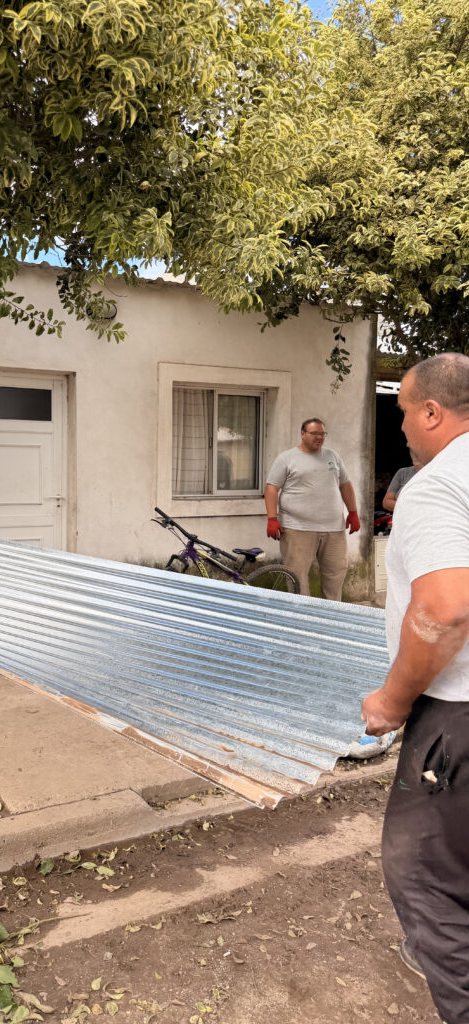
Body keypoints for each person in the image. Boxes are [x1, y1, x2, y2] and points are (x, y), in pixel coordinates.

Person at [361, 353, 469, 1024]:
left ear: (432, 411)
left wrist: (392, 701)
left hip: (457, 716)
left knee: (423, 876)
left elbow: (445, 612)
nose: (399, 425)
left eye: (402, 410)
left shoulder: (438, 484)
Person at [263, 418, 360, 601]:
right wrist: (272, 518)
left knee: (336, 573)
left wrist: (353, 512)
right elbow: (271, 488)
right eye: (315, 433)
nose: (319, 437)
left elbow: (345, 485)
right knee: (297, 576)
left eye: (322, 434)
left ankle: (331, 613)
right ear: (302, 434)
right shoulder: (287, 458)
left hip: (333, 529)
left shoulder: (332, 456)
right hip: (297, 528)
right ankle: (302, 615)